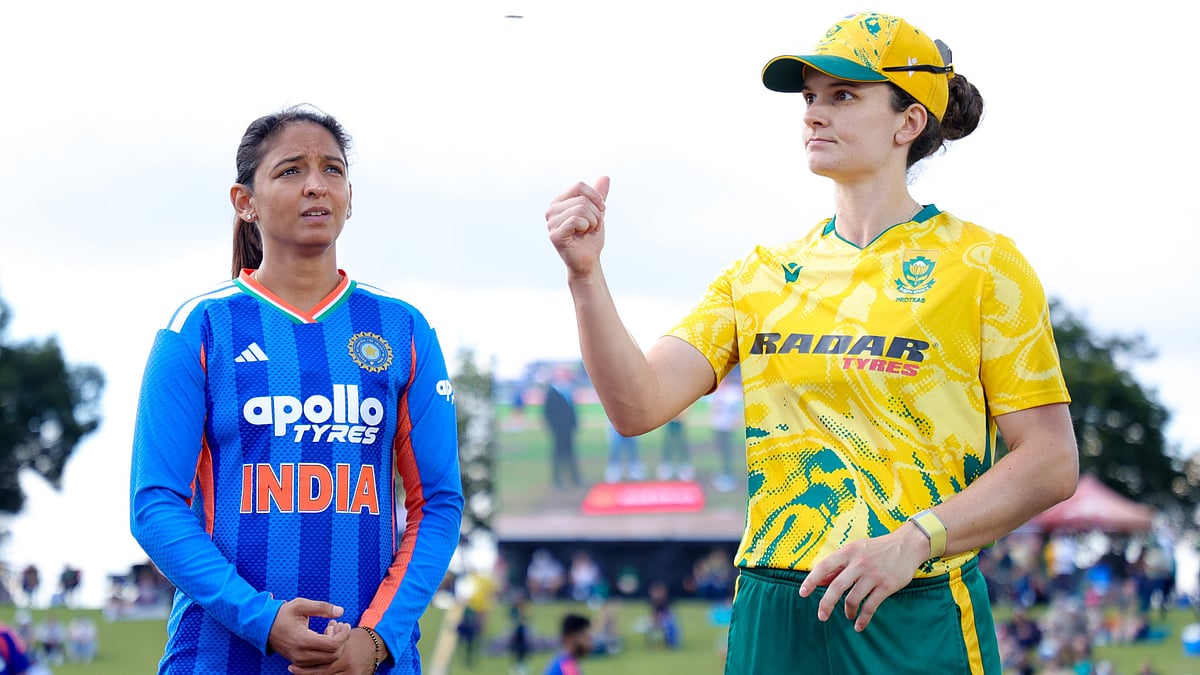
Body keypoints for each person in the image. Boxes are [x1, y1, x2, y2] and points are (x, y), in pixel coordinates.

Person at [544, 11, 1079, 674]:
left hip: (911, 604)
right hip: (774, 605)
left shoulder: (984, 265)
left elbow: (1052, 461)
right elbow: (637, 403)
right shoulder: (760, 273)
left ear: (907, 123)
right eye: (810, 97)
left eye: (844, 96)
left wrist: (915, 541)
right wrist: (585, 276)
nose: (815, 114)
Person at [129, 104, 465, 675]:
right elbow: (155, 505)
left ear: (350, 197)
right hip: (218, 657)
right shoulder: (198, 328)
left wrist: (377, 638)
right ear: (245, 202)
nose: (316, 185)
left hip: (370, 659)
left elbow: (437, 503)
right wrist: (261, 620)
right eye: (291, 171)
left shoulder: (403, 328)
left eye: (332, 170)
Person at [542, 367, 581, 488]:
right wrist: (552, 427)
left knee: (570, 454)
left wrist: (574, 424)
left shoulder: (568, 391)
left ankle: (575, 478)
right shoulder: (552, 392)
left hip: (568, 428)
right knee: (558, 455)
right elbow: (547, 412)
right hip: (558, 429)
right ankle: (557, 480)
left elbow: (572, 411)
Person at [708, 371, 743, 493]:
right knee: (721, 451)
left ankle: (728, 475)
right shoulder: (717, 393)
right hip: (718, 426)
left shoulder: (731, 393)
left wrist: (735, 420)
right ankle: (724, 474)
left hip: (726, 427)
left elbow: (735, 409)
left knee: (727, 452)